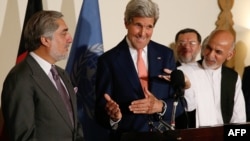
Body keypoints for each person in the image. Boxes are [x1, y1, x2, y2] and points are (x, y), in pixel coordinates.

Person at [95, 0, 186, 140]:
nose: (143, 33)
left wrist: (160, 106)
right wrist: (114, 118)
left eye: (149, 26)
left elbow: (180, 104)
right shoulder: (108, 60)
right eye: (138, 25)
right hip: (128, 137)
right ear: (126, 23)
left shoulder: (166, 54)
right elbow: (100, 112)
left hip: (163, 136)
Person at [1, 10, 84, 141]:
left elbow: (74, 126)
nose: (70, 38)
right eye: (64, 33)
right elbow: (24, 136)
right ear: (45, 40)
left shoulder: (62, 74)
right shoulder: (20, 78)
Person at [178, 29, 246, 128]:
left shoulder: (232, 77)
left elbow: (239, 118)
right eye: (208, 48)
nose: (210, 55)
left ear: (230, 55)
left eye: (218, 52)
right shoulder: (185, 71)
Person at [174, 28, 202, 128]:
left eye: (192, 43)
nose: (186, 47)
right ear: (176, 46)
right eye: (182, 43)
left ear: (199, 47)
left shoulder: (205, 70)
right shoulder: (170, 71)